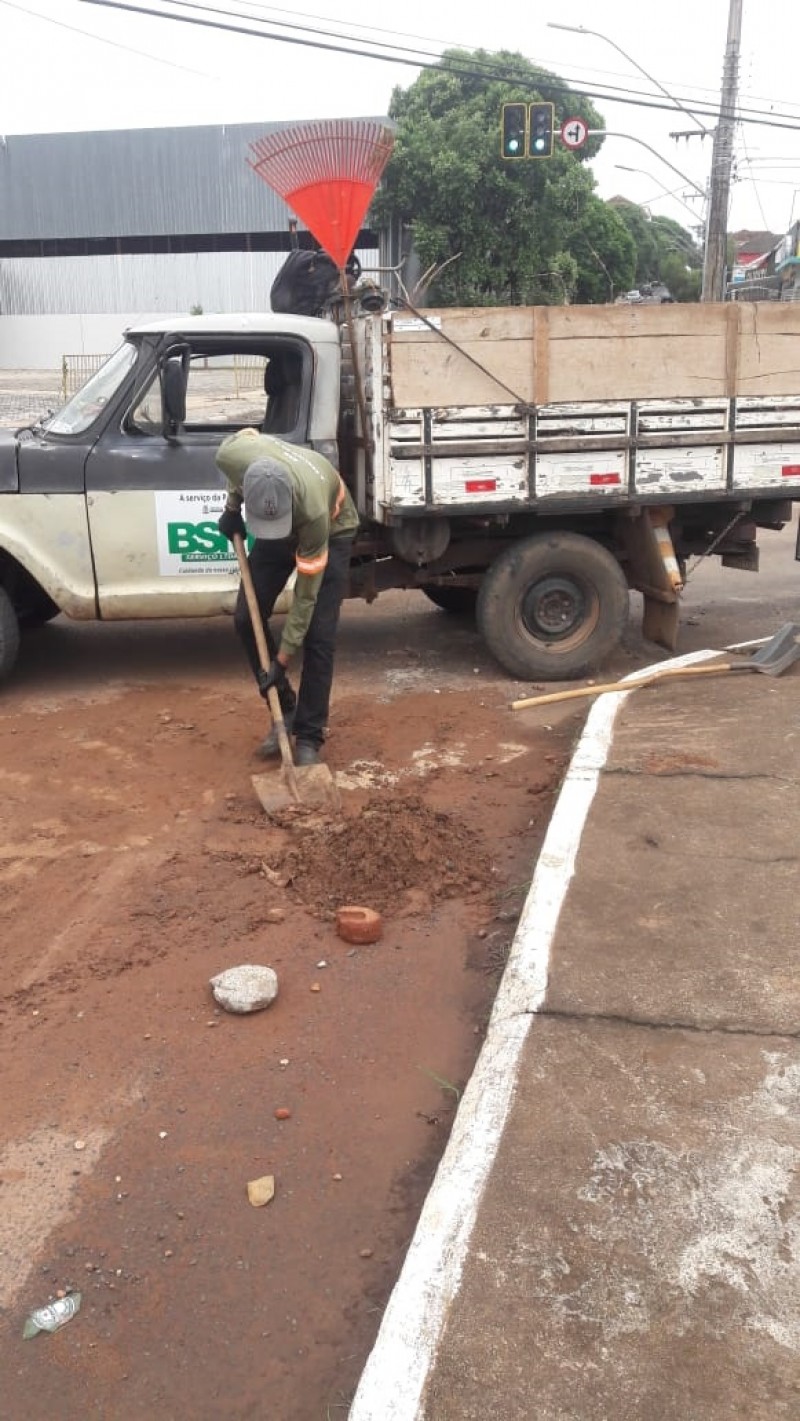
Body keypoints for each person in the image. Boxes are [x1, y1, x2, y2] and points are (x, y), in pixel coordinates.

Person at [215, 428, 359, 765]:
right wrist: (232, 506)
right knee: (245, 618)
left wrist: (282, 659)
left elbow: (304, 599)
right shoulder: (231, 456)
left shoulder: (314, 516)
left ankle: (309, 734)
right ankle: (285, 709)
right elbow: (246, 438)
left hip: (333, 530)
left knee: (318, 636)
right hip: (280, 513)